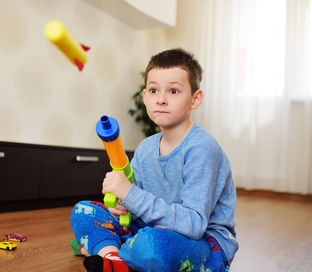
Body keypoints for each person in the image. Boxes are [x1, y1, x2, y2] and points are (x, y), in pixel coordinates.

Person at [70, 48, 238, 272]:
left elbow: (194, 225)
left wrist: (130, 194)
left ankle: (106, 250)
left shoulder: (202, 149)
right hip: (151, 227)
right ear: (145, 97)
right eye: (153, 90)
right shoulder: (146, 148)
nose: (161, 99)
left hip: (202, 242)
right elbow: (138, 207)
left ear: (195, 99)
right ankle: (117, 259)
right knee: (83, 211)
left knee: (154, 246)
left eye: (174, 91)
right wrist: (122, 206)